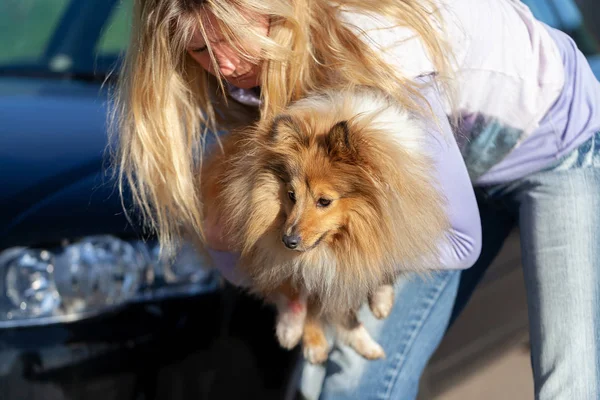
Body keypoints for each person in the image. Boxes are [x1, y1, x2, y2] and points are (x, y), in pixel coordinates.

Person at [112, 0, 600, 399]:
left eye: (229, 38)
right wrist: (240, 249)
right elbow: (257, 246)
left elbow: (457, 240)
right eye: (199, 49)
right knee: (354, 378)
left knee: (567, 377)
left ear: (271, 11)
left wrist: (331, 263)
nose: (221, 63)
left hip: (555, 142)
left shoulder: (379, 41)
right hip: (438, 171)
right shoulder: (249, 78)